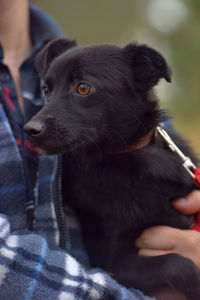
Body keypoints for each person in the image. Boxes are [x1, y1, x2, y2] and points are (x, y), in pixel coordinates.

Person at [0, 1, 200, 299]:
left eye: (82, 89)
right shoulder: (89, 170)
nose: (37, 121)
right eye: (48, 90)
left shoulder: (150, 134)